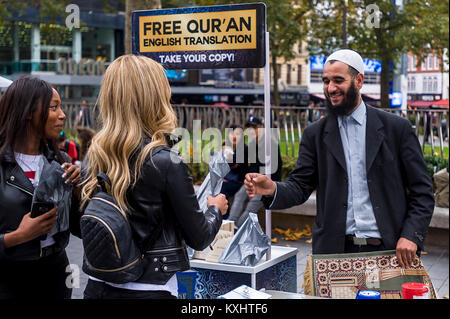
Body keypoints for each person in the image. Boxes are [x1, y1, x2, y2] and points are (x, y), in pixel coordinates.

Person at [245, 49, 434, 268]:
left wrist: (411, 235)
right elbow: (300, 186)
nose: (330, 88)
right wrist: (272, 188)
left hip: (390, 251)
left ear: (359, 80)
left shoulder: (396, 129)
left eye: (338, 80)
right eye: (325, 81)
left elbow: (423, 192)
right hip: (334, 255)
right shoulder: (315, 134)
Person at [80, 54, 227, 299]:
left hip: (98, 285)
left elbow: (85, 224)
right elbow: (199, 237)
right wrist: (215, 209)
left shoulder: (95, 154)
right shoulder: (167, 161)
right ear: (155, 98)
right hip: (151, 288)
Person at [0, 76, 82, 299]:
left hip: (56, 276)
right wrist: (17, 236)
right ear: (27, 112)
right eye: (54, 107)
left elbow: (78, 229)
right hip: (8, 280)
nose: (62, 115)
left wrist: (78, 192)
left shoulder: (60, 161)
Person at [228, 116, 283, 228]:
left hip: (269, 183)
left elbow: (273, 171)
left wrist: (256, 183)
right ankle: (230, 225)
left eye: (254, 127)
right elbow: (250, 167)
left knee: (253, 203)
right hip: (255, 181)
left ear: (262, 128)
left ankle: (237, 230)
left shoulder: (270, 144)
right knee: (239, 195)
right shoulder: (252, 145)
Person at [220, 124, 249, 218]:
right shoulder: (224, 147)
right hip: (225, 180)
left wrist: (231, 159)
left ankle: (225, 219)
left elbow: (241, 170)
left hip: (238, 182)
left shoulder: (244, 149)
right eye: (231, 133)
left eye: (237, 134)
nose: (234, 136)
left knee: (222, 188)